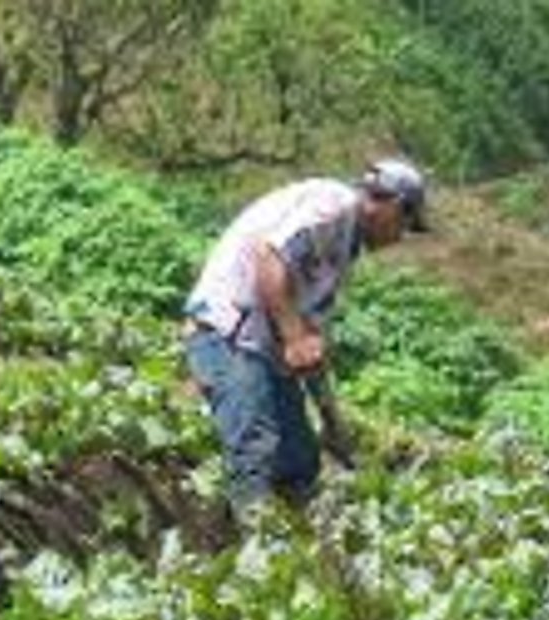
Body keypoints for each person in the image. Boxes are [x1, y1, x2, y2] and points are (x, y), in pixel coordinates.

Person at [182, 158, 429, 512]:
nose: (400, 238)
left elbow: (310, 338)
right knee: (256, 446)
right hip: (227, 333)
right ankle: (250, 549)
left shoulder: (344, 246)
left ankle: (293, 548)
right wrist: (295, 338)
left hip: (261, 348)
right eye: (406, 223)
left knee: (299, 462)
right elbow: (268, 259)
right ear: (391, 204)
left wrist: (331, 420)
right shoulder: (333, 207)